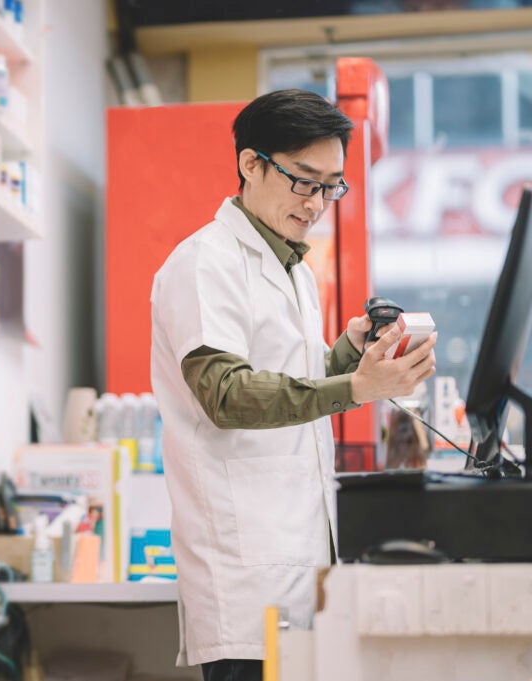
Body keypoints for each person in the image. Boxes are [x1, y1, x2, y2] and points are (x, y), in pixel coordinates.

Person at [149, 89, 437, 681]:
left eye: (333, 185)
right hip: (245, 576)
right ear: (251, 164)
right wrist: (357, 387)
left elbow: (292, 383)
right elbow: (227, 396)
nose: (319, 203)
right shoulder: (206, 263)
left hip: (295, 561)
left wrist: (346, 354)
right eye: (305, 181)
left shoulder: (294, 268)